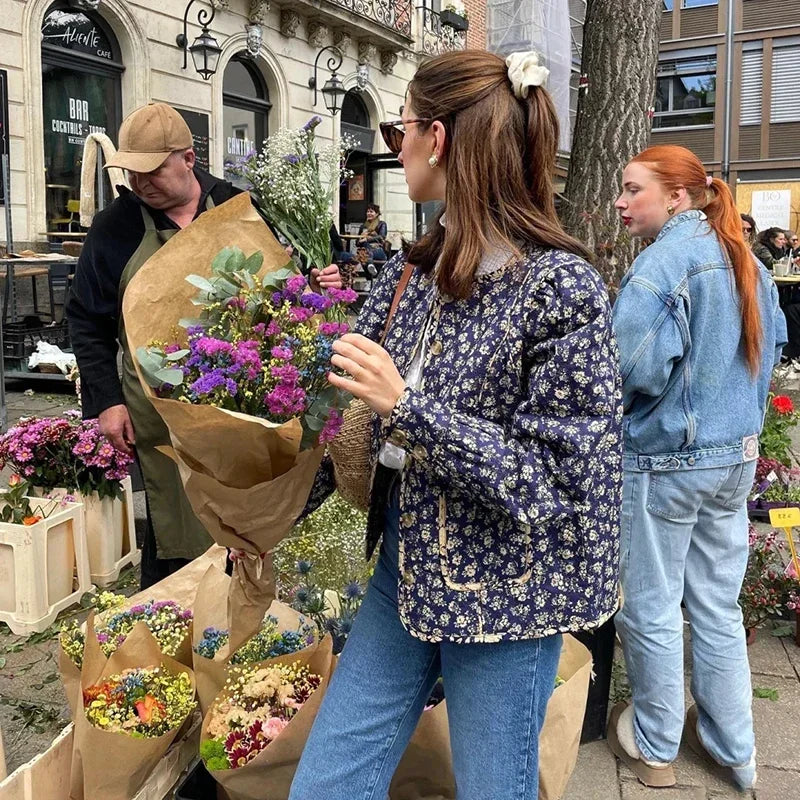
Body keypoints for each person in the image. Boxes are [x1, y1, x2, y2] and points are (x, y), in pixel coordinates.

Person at [289, 50, 622, 800]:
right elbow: (341, 396)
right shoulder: (416, 269)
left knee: (492, 790)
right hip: (406, 571)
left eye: (398, 126)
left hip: (512, 592)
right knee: (326, 782)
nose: (392, 144)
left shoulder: (560, 287)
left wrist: (408, 409)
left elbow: (555, 479)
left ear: (436, 138)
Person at [66, 102, 340, 589]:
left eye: (151, 170)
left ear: (189, 159)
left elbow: (287, 284)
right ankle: (173, 629)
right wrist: (106, 402)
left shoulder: (242, 205)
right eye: (130, 171)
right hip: (160, 410)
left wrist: (320, 280)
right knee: (175, 527)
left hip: (246, 401)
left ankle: (250, 617)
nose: (139, 182)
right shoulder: (116, 227)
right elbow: (85, 320)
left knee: (251, 519)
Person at [608, 144, 786, 791]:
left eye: (633, 190)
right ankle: (735, 752)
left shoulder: (664, 265)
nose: (621, 203)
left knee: (652, 608)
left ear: (677, 197)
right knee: (716, 606)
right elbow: (767, 362)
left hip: (665, 465)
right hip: (733, 461)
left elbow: (625, 370)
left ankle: (654, 747)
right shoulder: (749, 263)